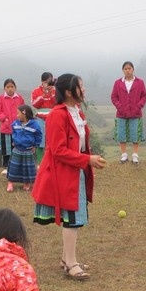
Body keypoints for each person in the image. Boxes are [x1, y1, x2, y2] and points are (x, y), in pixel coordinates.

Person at [32, 73, 107, 280]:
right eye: (80, 86)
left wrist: (87, 161)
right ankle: (71, 263)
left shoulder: (77, 112)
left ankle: (67, 259)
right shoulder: (58, 114)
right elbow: (57, 150)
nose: (84, 90)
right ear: (68, 92)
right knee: (72, 218)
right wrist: (87, 160)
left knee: (75, 217)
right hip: (63, 173)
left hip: (76, 171)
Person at [111, 61, 146, 165]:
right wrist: (119, 106)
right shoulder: (118, 83)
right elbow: (113, 97)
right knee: (122, 134)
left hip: (135, 113)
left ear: (133, 69)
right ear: (123, 70)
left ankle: (135, 155)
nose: (127, 71)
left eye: (129, 68)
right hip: (121, 113)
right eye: (125, 69)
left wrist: (138, 106)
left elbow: (144, 96)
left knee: (135, 134)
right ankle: (124, 155)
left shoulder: (140, 82)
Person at [7, 104, 42, 192]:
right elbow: (13, 131)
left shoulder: (34, 125)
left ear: (24, 114)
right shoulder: (15, 123)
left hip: (28, 149)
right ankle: (10, 182)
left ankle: (27, 182)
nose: (17, 115)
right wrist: (14, 140)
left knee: (27, 167)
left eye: (18, 113)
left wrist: (35, 145)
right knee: (14, 166)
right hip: (17, 149)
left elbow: (38, 135)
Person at [0, 78, 24, 173]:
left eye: (12, 86)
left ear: (15, 88)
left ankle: (18, 166)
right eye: (8, 87)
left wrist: (22, 119)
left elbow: (23, 109)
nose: (10, 89)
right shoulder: (1, 98)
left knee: (18, 147)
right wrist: (4, 119)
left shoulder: (19, 98)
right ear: (4, 88)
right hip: (5, 128)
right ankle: (6, 168)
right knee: (6, 148)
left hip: (18, 127)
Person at [30, 72, 56, 166]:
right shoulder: (36, 91)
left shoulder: (55, 90)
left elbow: (57, 102)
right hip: (40, 117)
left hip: (53, 117)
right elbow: (35, 104)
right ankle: (40, 164)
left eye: (50, 82)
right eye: (46, 82)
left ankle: (52, 163)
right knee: (40, 141)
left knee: (52, 140)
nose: (48, 84)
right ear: (42, 82)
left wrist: (52, 92)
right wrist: (44, 95)